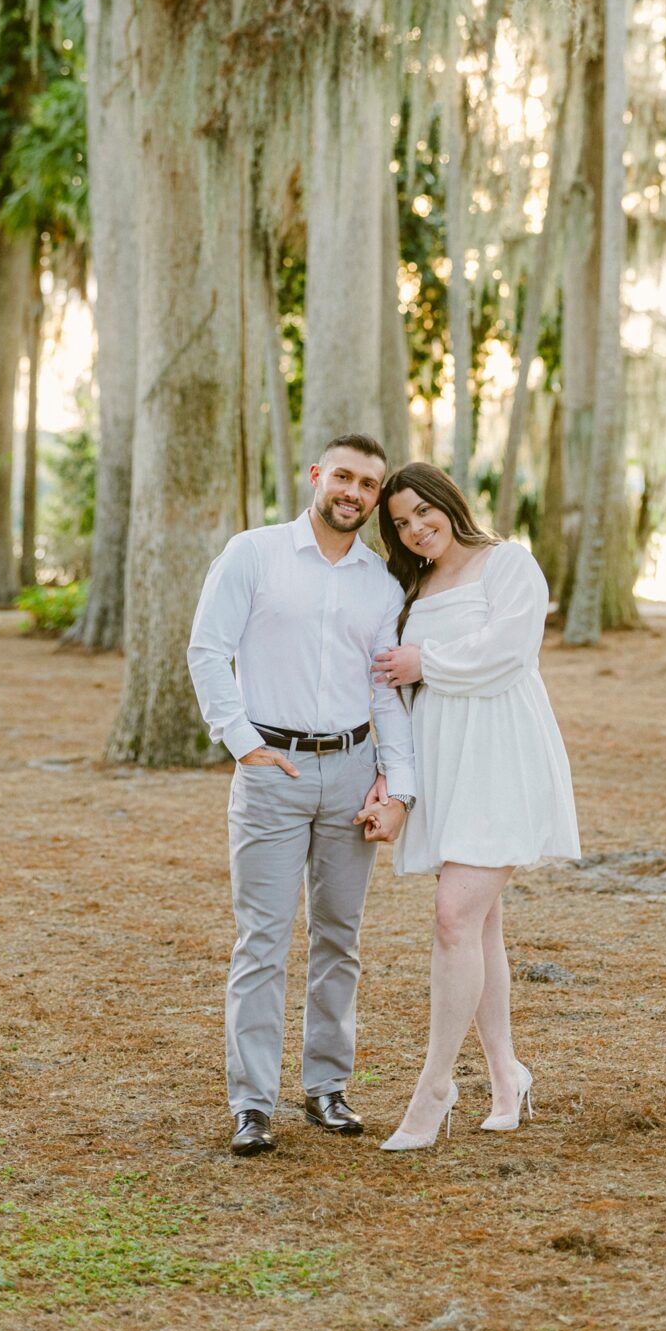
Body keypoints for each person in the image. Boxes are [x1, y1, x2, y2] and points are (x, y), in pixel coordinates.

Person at [186, 433, 417, 1158]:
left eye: (368, 485)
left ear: (376, 499)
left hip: (351, 772)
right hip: (271, 772)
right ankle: (252, 1104)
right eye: (342, 476)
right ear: (317, 475)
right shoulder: (253, 554)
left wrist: (398, 786)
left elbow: (386, 695)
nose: (353, 492)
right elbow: (206, 648)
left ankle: (327, 1089)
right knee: (262, 940)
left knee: (339, 939)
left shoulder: (381, 585)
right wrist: (242, 742)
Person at [361, 461, 581, 1151]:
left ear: (449, 504)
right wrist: (390, 774)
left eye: (424, 511)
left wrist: (428, 661)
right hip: (443, 759)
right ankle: (506, 1074)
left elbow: (509, 651)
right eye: (401, 522)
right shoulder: (412, 585)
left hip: (500, 755)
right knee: (478, 927)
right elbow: (393, 687)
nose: (417, 528)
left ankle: (434, 1090)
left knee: (454, 917)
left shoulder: (507, 563)